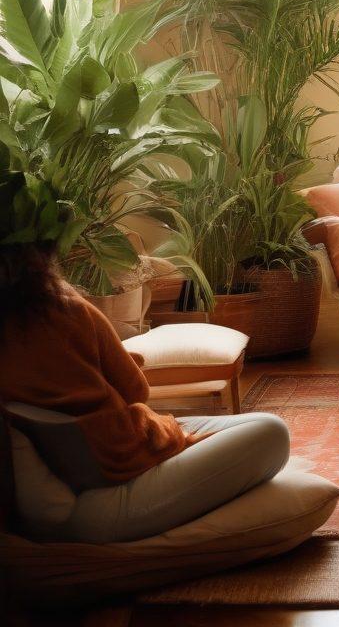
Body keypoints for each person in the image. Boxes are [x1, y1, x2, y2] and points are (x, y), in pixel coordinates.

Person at [0, 176, 291, 543]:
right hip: (113, 490)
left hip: (65, 487)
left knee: (232, 426)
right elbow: (137, 391)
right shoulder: (65, 309)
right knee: (270, 432)